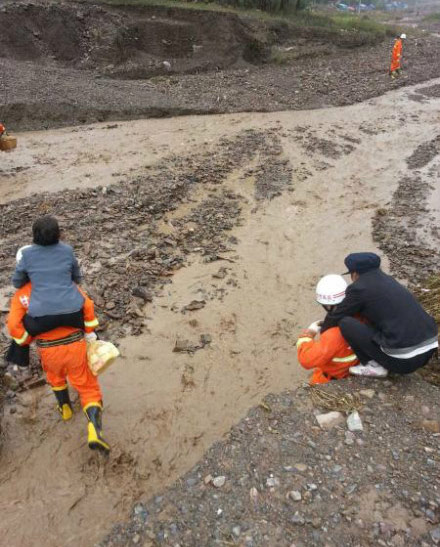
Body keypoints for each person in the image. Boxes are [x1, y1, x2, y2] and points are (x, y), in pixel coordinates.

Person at [7, 281, 110, 453]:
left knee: (55, 377)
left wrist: (26, 340)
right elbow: (87, 304)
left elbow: (13, 324)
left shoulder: (23, 294)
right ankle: (94, 429)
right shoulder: (64, 282)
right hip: (75, 344)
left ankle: (65, 409)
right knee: (87, 387)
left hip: (48, 349)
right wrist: (90, 329)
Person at [321, 252, 438, 378]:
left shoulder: (358, 288)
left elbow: (337, 316)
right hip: (428, 351)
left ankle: (374, 366)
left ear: (354, 274)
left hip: (404, 362)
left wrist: (322, 333)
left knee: (346, 323)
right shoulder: (389, 281)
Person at [12, 215, 85, 335]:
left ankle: (19, 354)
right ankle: (95, 343)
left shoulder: (26, 254)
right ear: (58, 234)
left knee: (18, 325)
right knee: (89, 324)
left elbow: (17, 282)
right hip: (74, 315)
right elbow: (77, 278)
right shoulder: (67, 250)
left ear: (34, 235)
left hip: (42, 320)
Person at [297, 274, 359, 385]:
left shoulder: (333, 336)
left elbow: (306, 360)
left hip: (332, 379)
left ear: (326, 306)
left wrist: (308, 334)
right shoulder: (363, 315)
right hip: (355, 371)